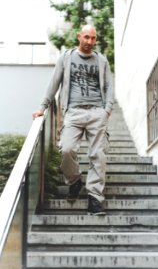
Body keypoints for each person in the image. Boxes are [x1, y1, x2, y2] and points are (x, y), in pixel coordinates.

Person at [33, 24, 114, 215]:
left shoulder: (102, 60)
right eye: (86, 37)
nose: (89, 42)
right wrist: (42, 107)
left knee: (98, 156)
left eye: (93, 38)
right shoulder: (67, 58)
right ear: (79, 37)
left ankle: (95, 199)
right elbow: (53, 84)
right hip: (73, 112)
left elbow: (109, 86)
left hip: (97, 112)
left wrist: (107, 110)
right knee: (67, 149)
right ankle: (75, 180)